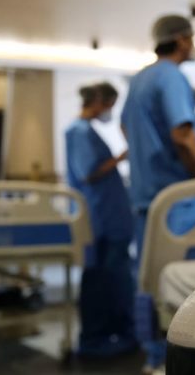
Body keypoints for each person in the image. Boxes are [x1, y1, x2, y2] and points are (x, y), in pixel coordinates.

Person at [121, 15, 195, 258]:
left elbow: (125, 127)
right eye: (191, 38)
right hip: (177, 201)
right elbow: (182, 136)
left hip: (146, 199)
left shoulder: (140, 78)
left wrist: (148, 152)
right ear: (181, 40)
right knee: (187, 275)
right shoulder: (171, 76)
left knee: (152, 273)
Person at [65, 82, 136, 357]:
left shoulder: (85, 131)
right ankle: (95, 340)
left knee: (112, 278)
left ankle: (112, 333)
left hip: (108, 217)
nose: (109, 111)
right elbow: (88, 172)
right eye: (109, 104)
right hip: (102, 219)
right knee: (101, 280)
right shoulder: (79, 131)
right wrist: (122, 157)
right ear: (97, 101)